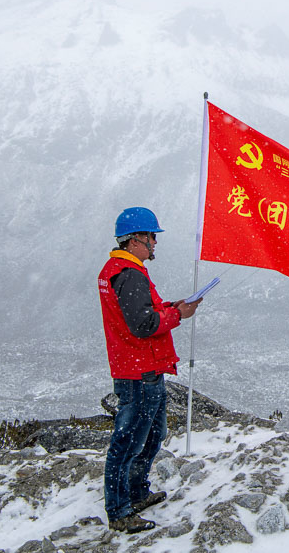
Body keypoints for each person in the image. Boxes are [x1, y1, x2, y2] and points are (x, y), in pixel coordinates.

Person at [98, 207, 201, 533]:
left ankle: (136, 493)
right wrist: (178, 315)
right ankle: (120, 511)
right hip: (139, 372)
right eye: (151, 237)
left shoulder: (121, 270)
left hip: (141, 367)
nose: (155, 242)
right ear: (135, 240)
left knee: (152, 435)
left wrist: (172, 307)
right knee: (128, 442)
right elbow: (143, 324)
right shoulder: (129, 274)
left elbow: (141, 312)